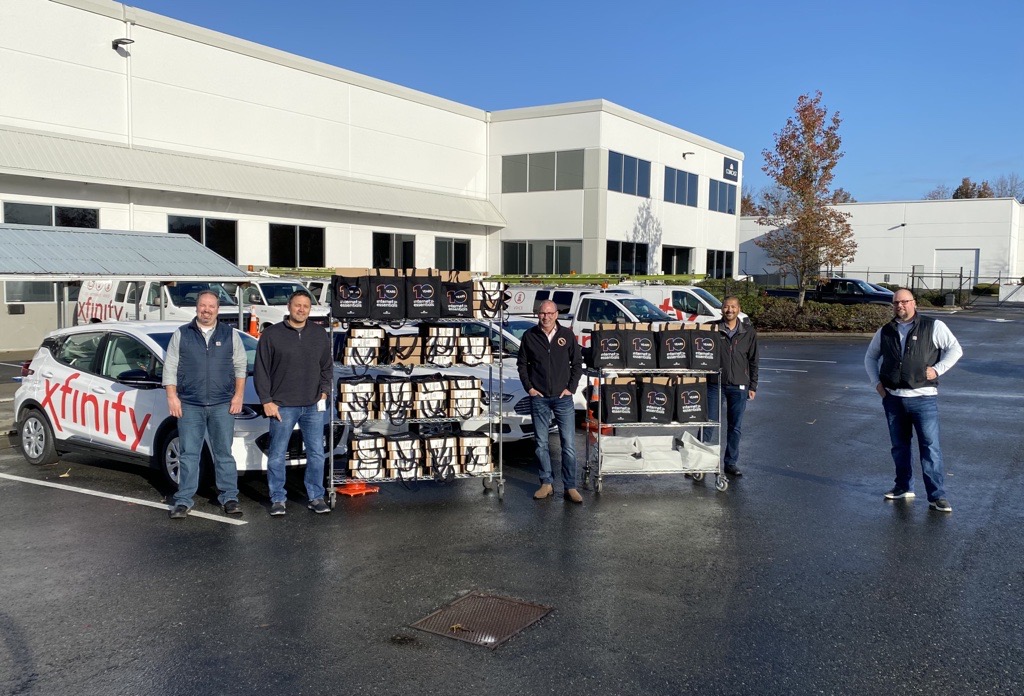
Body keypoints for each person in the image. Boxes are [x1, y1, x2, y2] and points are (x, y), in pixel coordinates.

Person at [864, 288, 962, 513]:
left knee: (930, 448)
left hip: (923, 399)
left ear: (914, 303)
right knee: (900, 447)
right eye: (896, 303)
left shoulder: (933, 326)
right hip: (893, 399)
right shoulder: (886, 330)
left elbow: (955, 349)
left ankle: (936, 496)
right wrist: (876, 385)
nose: (900, 306)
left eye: (905, 302)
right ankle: (903, 487)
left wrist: (937, 370)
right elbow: (870, 357)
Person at [163, 290, 247, 519]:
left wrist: (238, 396)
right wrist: (172, 397)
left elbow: (240, 367)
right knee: (189, 454)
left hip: (222, 404)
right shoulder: (182, 334)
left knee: (224, 453)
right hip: (190, 404)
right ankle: (183, 500)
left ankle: (229, 497)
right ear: (196, 307)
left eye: (211, 306)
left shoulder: (230, 334)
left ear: (217, 310)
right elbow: (169, 367)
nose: (206, 310)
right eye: (202, 305)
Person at [254, 290, 333, 516]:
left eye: (305, 306)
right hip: (282, 405)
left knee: (317, 453)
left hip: (313, 405)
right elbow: (261, 371)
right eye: (297, 305)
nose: (301, 309)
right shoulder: (271, 335)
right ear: (289, 307)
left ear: (310, 309)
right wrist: (266, 401)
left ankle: (316, 497)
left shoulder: (319, 334)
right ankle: (278, 498)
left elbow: (327, 367)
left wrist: (325, 393)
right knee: (277, 454)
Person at [517, 300, 584, 503]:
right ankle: (546, 483)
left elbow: (577, 363)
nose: (545, 316)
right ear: (538, 315)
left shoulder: (567, 335)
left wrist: (570, 388)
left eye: (549, 313)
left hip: (563, 399)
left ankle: (570, 486)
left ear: (556, 314)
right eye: (541, 313)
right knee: (541, 444)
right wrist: (530, 388)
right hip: (540, 398)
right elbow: (522, 365)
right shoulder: (530, 336)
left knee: (569, 445)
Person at [706, 295, 758, 478]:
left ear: (739, 309)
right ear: (722, 309)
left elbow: (753, 360)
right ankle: (701, 463)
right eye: (726, 307)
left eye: (733, 307)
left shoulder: (748, 332)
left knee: (735, 427)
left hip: (739, 385)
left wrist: (753, 385)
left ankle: (730, 463)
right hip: (714, 384)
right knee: (708, 424)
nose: (730, 310)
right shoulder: (712, 328)